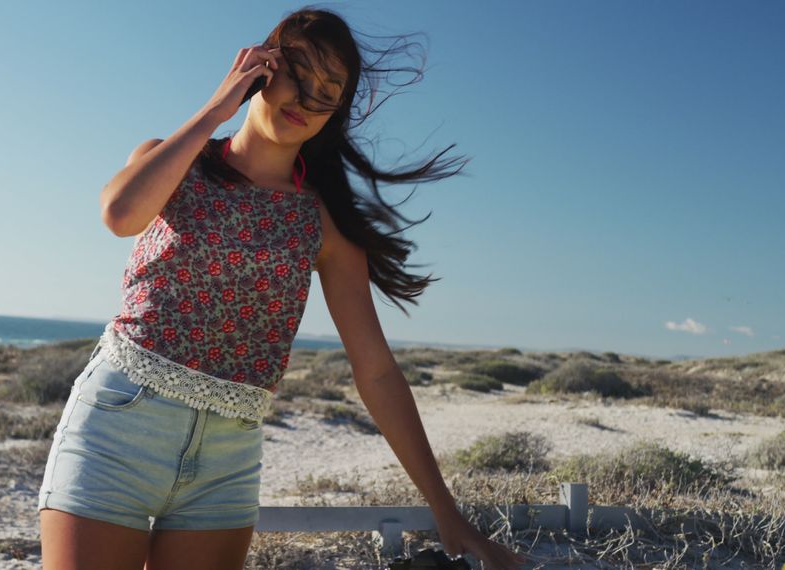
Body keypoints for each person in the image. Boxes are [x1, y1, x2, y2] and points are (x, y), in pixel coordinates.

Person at [38, 6, 527, 570]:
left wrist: (447, 510)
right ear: (262, 67)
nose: (308, 98)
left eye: (330, 90)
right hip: (120, 426)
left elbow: (376, 370)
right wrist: (220, 106)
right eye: (300, 72)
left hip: (227, 456)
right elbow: (121, 214)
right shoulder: (173, 162)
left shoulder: (321, 222)